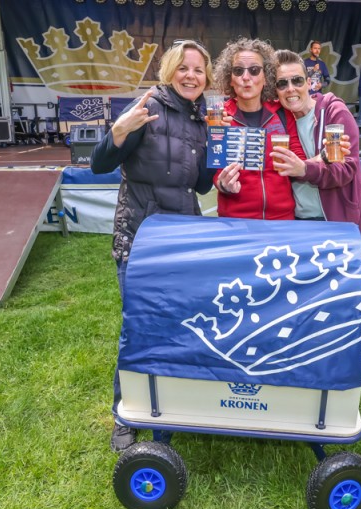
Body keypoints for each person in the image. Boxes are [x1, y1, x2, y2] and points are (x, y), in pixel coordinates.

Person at [90, 40, 215, 452]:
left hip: (182, 240)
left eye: (199, 69)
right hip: (141, 239)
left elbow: (197, 184)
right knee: (139, 329)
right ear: (169, 71)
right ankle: (126, 415)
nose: (191, 75)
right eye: (184, 68)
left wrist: (219, 173)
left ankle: (171, 406)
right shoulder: (147, 106)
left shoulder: (200, 121)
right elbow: (100, 163)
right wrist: (118, 132)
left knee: (181, 327)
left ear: (206, 77)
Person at [271, 49, 361, 246]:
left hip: (340, 220)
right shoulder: (279, 119)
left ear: (309, 83)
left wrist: (304, 169)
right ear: (276, 90)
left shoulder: (335, 112)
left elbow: (346, 169)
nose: (290, 88)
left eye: (297, 81)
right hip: (300, 223)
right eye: (282, 83)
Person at [212, 38, 305, 220]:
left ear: (266, 77)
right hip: (234, 220)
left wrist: (304, 164)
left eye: (254, 70)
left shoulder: (282, 114)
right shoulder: (219, 117)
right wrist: (223, 184)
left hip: (281, 219)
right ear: (230, 79)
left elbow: (299, 160)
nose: (246, 77)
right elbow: (213, 171)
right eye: (238, 71)